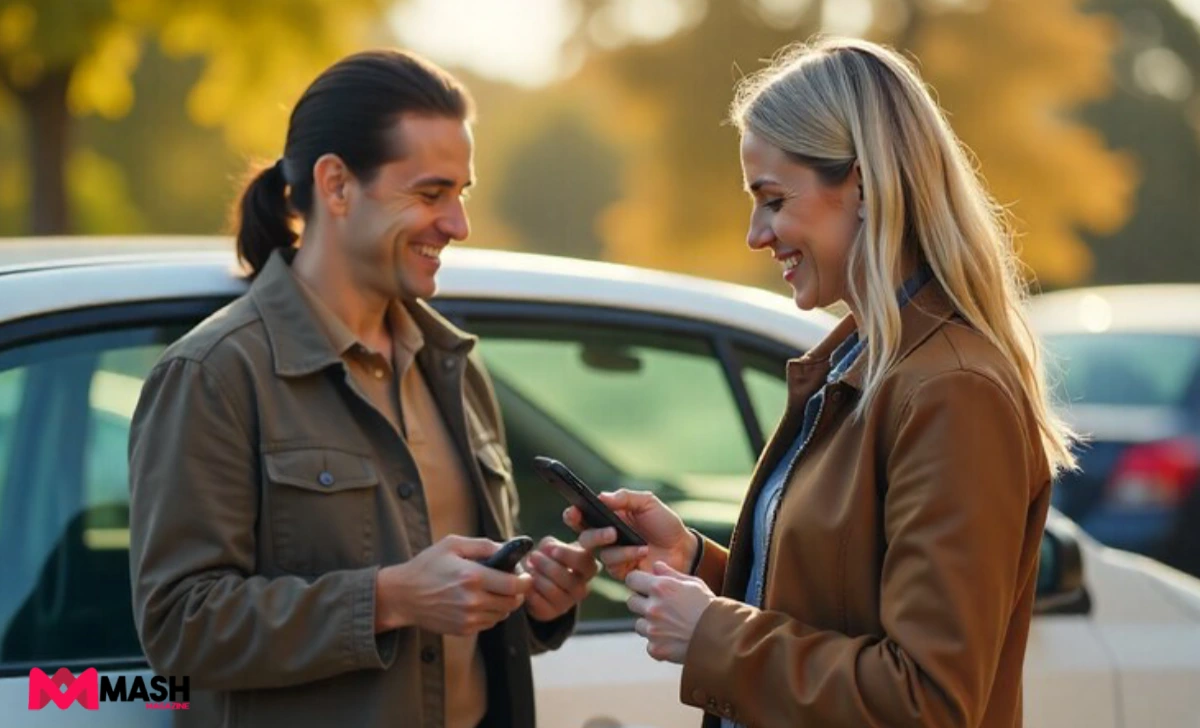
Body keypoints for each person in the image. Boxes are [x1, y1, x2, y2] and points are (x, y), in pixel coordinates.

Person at [570, 37, 1075, 728]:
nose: (757, 233)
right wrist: (695, 566)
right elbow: (833, 608)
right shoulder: (859, 366)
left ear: (864, 186)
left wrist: (712, 635)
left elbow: (926, 699)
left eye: (773, 200)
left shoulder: (953, 390)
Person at [128, 49, 597, 728]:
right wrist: (390, 599)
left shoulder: (455, 368)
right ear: (337, 185)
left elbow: (455, 632)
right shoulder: (215, 375)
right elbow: (179, 628)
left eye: (460, 195)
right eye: (431, 194)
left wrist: (531, 598)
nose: (457, 225)